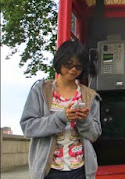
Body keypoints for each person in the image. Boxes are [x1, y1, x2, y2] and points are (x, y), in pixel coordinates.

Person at [20, 40, 102, 179]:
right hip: (49, 170)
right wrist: (62, 117)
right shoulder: (41, 91)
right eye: (68, 64)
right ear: (59, 62)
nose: (73, 69)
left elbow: (94, 135)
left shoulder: (89, 95)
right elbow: (28, 127)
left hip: (81, 170)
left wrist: (85, 119)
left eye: (78, 66)